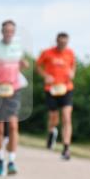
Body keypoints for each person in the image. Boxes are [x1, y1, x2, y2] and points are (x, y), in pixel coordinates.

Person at [0, 20, 28, 176]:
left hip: (13, 88)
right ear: (2, 32)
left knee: (14, 125)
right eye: (6, 31)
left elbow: (20, 66)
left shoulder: (19, 47)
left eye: (11, 31)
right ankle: (0, 159)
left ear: (14, 32)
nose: (8, 33)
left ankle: (12, 162)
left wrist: (23, 64)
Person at [36, 32, 77, 160]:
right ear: (57, 41)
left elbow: (73, 66)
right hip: (51, 89)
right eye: (61, 42)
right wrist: (45, 76)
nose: (63, 44)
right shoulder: (47, 53)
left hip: (66, 88)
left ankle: (66, 149)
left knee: (66, 117)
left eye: (65, 43)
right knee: (53, 117)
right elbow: (37, 66)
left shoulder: (70, 53)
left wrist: (72, 73)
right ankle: (51, 132)